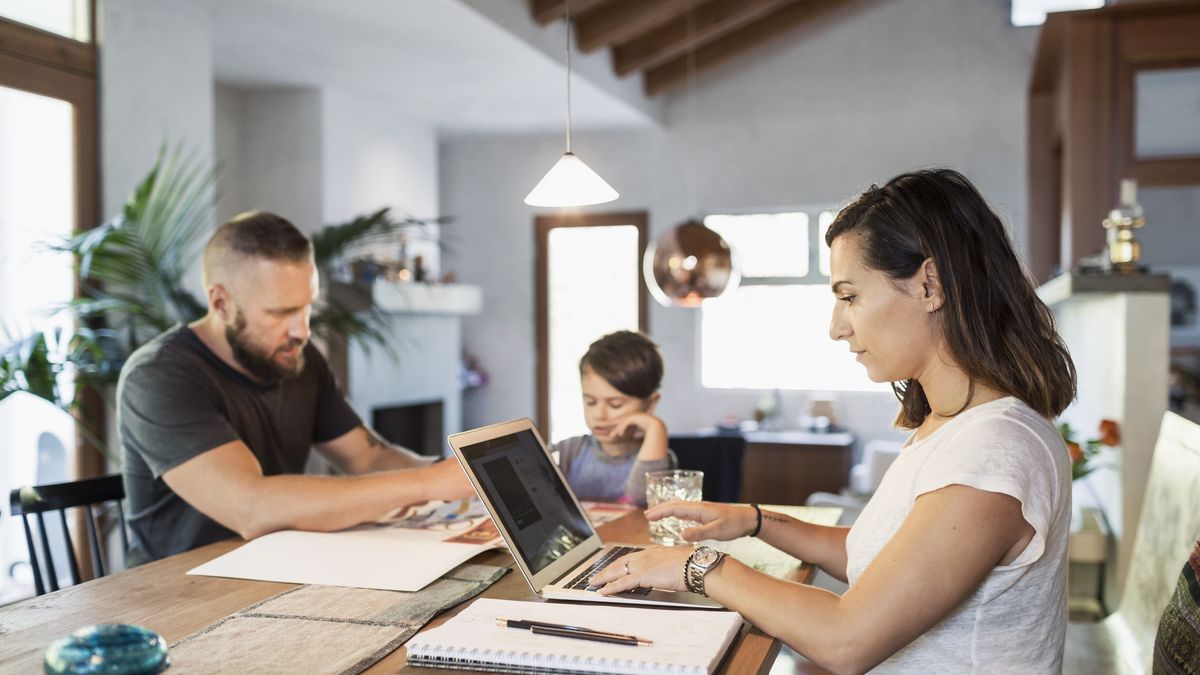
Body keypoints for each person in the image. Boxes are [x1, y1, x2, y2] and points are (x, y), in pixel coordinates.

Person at [593, 169, 1077, 674]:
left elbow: (847, 639)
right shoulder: (951, 426)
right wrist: (753, 520)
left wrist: (698, 568)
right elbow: (873, 554)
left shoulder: (993, 448)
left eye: (849, 296)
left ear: (929, 285)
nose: (836, 327)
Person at [118, 210, 474, 565]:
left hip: (280, 568)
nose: (301, 331)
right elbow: (251, 506)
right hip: (180, 594)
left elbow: (369, 457)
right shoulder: (158, 376)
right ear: (220, 302)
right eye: (280, 312)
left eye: (305, 309)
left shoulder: (297, 360)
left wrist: (461, 480)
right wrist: (429, 483)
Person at [551, 331, 677, 506]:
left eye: (615, 404)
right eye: (590, 402)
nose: (599, 414)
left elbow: (638, 501)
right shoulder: (569, 451)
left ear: (650, 404)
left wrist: (656, 427)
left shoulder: (658, 458)